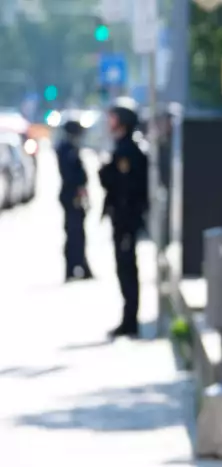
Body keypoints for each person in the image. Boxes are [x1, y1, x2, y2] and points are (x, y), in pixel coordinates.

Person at [99, 102, 148, 338]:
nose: (110, 123)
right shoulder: (121, 147)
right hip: (122, 219)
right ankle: (128, 319)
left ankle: (131, 321)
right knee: (123, 268)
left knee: (127, 269)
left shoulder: (128, 150)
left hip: (126, 220)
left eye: (114, 118)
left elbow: (124, 186)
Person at [56, 121, 93, 282]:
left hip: (74, 195)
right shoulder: (67, 149)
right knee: (74, 232)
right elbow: (72, 175)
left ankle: (80, 266)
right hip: (71, 196)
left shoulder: (70, 148)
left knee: (78, 232)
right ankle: (73, 267)